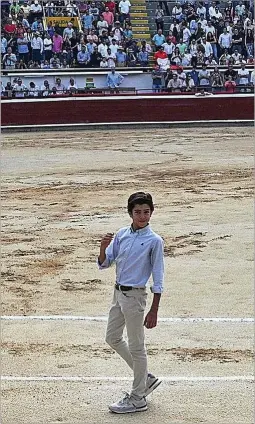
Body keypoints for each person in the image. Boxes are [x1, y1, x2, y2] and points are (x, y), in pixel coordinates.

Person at [97, 192, 164, 414]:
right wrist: (102, 247)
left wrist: (154, 310)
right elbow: (106, 263)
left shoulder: (155, 241)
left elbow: (158, 278)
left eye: (146, 212)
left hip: (136, 296)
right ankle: (145, 377)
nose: (142, 216)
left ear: (151, 212)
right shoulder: (122, 234)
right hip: (118, 293)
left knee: (137, 347)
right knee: (112, 337)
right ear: (130, 213)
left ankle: (137, 398)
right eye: (138, 212)